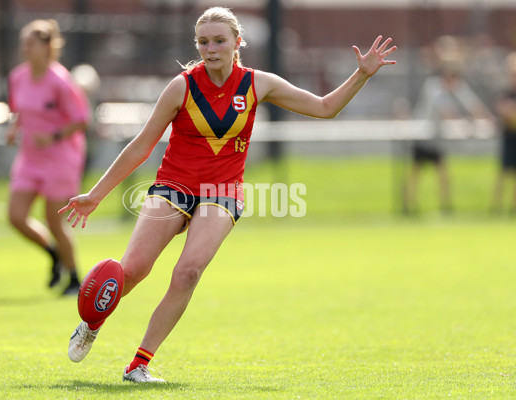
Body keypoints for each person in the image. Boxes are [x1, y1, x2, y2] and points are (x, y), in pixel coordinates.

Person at [61, 7, 396, 383]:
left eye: (220, 41)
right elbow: (141, 146)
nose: (211, 48)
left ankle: (139, 365)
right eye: (203, 42)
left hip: (222, 193)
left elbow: (324, 107)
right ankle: (91, 324)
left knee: (187, 273)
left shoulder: (257, 83)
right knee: (134, 270)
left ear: (238, 42)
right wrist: (96, 194)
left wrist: (361, 75)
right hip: (174, 185)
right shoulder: (182, 86)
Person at [6, 19, 90, 296]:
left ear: (46, 47)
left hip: (61, 156)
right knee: (16, 216)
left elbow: (81, 119)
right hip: (30, 156)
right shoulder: (18, 76)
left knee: (54, 220)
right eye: (23, 43)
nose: (25, 48)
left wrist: (53, 136)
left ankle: (75, 279)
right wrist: (14, 128)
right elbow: (21, 109)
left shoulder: (60, 80)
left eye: (30, 43)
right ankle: (53, 254)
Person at [404, 36, 492, 215]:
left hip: (437, 139)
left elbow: (473, 105)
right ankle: (409, 206)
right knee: (415, 172)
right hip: (423, 136)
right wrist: (466, 125)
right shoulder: (433, 87)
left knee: (443, 173)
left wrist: (488, 120)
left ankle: (446, 206)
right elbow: (446, 112)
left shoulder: (456, 86)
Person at [492, 52, 516, 214]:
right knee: (503, 172)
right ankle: (496, 207)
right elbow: (502, 111)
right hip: (509, 136)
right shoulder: (506, 92)